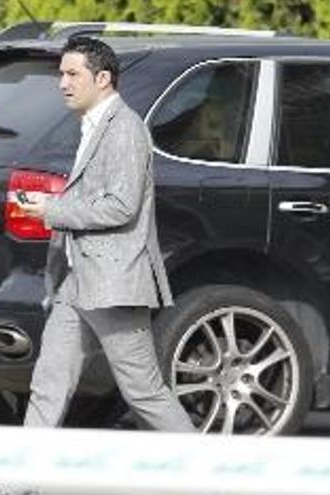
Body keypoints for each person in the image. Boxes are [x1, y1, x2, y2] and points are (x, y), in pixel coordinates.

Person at [17, 36, 196, 432]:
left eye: (72, 74)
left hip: (113, 284)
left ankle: (208, 477)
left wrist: (53, 210)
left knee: (144, 392)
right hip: (79, 280)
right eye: (61, 74)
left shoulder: (125, 129)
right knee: (48, 385)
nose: (62, 83)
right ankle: (15, 485)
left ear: (102, 79)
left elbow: (122, 205)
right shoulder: (92, 126)